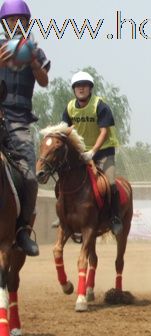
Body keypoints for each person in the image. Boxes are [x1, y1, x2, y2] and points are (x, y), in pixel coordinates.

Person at [0, 0, 50, 256]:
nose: (16, 24)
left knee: (30, 178)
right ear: (4, 23)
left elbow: (44, 81)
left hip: (19, 124)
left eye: (22, 20)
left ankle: (22, 231)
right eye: (12, 20)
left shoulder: (35, 50)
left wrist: (32, 62)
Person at [61, 71, 122, 235]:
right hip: (80, 154)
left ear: (90, 89)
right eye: (78, 86)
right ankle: (63, 214)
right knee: (62, 181)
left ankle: (114, 217)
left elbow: (104, 132)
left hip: (103, 151)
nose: (81, 88)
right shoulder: (69, 108)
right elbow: (65, 131)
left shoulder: (100, 106)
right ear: (74, 89)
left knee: (110, 183)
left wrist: (93, 151)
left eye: (85, 86)